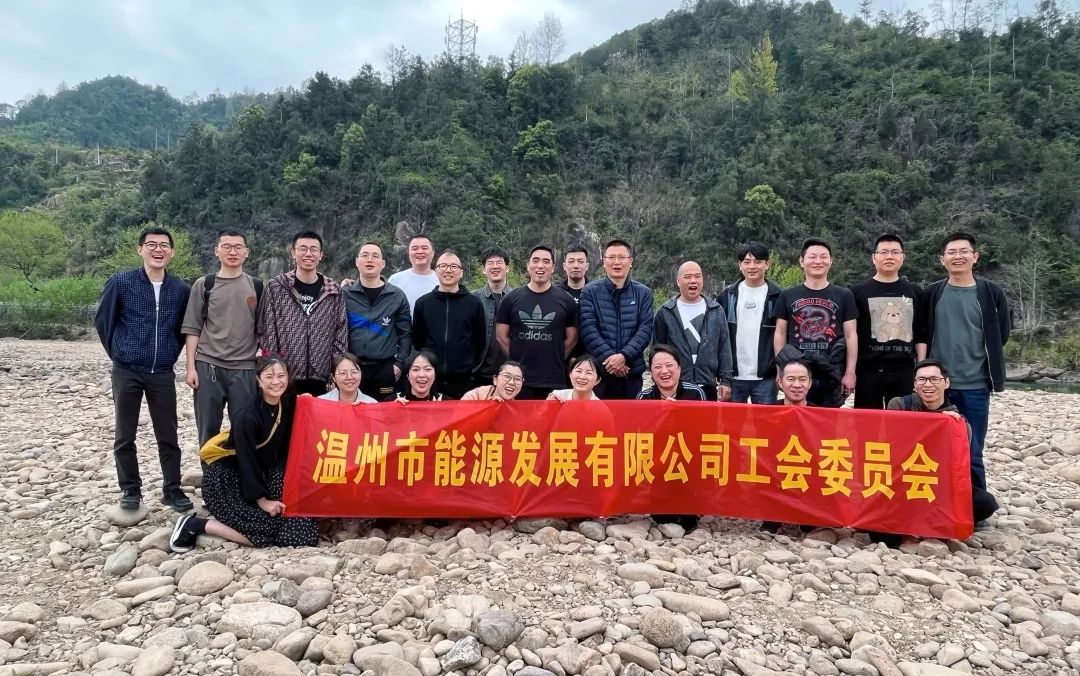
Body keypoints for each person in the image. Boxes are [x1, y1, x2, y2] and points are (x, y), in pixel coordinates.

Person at [169, 356, 318, 552]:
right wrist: (262, 501)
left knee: (303, 527)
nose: (276, 382)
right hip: (228, 480)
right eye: (269, 376)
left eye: (281, 376)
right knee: (267, 531)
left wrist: (308, 402)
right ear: (258, 380)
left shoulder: (287, 402)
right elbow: (245, 460)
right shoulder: (247, 416)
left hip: (265, 472)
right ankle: (195, 525)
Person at [95, 226, 192, 512]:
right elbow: (103, 320)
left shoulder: (181, 289)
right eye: (151, 244)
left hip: (162, 372)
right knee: (125, 434)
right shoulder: (122, 282)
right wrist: (119, 352)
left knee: (168, 433)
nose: (158, 250)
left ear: (172, 252)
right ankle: (130, 489)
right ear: (140, 249)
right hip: (127, 370)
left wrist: (170, 353)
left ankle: (172, 489)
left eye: (164, 245)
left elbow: (184, 328)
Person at [918, 231, 1010, 493]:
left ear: (975, 256)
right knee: (931, 447)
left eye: (963, 251)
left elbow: (1001, 334)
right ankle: (936, 499)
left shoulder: (991, 292)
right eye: (951, 252)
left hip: (975, 384)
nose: (957, 256)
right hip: (936, 386)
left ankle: (974, 503)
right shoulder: (933, 293)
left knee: (972, 448)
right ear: (942, 259)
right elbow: (922, 333)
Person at [886, 359, 1000, 537]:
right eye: (922, 379)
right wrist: (935, 420)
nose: (928, 384)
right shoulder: (899, 405)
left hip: (937, 485)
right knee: (883, 534)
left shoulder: (957, 421)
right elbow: (890, 444)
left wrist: (946, 425)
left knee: (985, 502)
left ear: (946, 383)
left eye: (934, 379)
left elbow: (958, 464)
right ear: (915, 384)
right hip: (902, 481)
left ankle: (930, 519)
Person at [182, 229, 261, 447]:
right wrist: (191, 368)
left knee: (244, 429)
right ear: (217, 251)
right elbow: (193, 329)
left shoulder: (256, 286)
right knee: (208, 430)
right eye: (227, 247)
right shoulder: (204, 285)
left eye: (238, 247)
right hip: (209, 366)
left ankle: (241, 469)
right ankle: (210, 469)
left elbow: (262, 331)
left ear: (247, 252)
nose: (232, 252)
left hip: (245, 368)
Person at [257, 230, 347, 397]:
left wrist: (336, 370)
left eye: (314, 249)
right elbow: (268, 332)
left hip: (322, 377)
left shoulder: (333, 290)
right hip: (285, 376)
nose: (308, 254)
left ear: (321, 255)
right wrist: (274, 370)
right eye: (303, 248)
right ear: (293, 253)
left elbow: (340, 334)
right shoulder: (277, 287)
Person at [773, 238, 858, 407]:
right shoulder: (787, 295)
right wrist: (780, 370)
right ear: (801, 261)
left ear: (831, 261)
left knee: (828, 421)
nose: (818, 261)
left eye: (823, 257)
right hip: (798, 371)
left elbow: (851, 334)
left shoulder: (844, 295)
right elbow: (780, 333)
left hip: (831, 372)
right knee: (796, 419)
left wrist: (850, 372)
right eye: (812, 257)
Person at [496, 245, 579, 399]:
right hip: (518, 381)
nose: (540, 265)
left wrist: (555, 357)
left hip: (553, 378)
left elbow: (572, 338)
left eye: (546, 261)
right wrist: (515, 362)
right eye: (535, 260)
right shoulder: (511, 299)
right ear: (528, 266)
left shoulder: (567, 300)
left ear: (553, 268)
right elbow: (501, 336)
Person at [851, 234, 923, 409]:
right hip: (868, 369)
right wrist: (850, 371)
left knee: (902, 420)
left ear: (903, 257)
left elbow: (922, 332)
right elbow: (851, 334)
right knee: (867, 421)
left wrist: (921, 369)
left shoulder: (915, 292)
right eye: (883, 252)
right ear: (873, 257)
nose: (889, 256)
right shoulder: (857, 292)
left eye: (895, 252)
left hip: (904, 369)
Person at [579, 239, 654, 399]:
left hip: (631, 372)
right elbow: (588, 330)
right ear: (604, 262)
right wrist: (611, 360)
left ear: (630, 261)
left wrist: (624, 356)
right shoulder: (590, 291)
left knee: (631, 415)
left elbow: (645, 330)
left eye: (622, 257)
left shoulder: (643, 293)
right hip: (599, 373)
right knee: (597, 416)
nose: (617, 262)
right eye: (611, 257)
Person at [653, 261, 732, 401]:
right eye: (687, 277)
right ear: (678, 281)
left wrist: (726, 381)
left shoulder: (716, 310)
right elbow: (657, 351)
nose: (693, 281)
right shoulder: (665, 312)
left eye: (697, 276)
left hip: (708, 383)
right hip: (676, 386)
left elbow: (724, 347)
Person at [412, 250, 487, 399]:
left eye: (453, 266)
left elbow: (480, 341)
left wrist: (468, 366)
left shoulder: (474, 304)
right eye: (443, 266)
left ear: (461, 272)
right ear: (436, 271)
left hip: (463, 379)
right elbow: (418, 340)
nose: (448, 270)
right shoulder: (423, 303)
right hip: (430, 379)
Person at [342, 242, 411, 401]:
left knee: (384, 414)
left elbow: (406, 334)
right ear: (357, 262)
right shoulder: (345, 294)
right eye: (365, 255)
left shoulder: (397, 295)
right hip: (351, 369)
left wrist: (400, 364)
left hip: (384, 369)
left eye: (375, 256)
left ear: (383, 263)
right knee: (352, 413)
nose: (370, 260)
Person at [719, 242, 783, 404]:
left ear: (767, 264)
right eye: (747, 262)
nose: (752, 266)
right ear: (740, 265)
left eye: (758, 262)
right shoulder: (728, 295)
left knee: (765, 420)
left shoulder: (778, 296)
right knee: (731, 420)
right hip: (733, 376)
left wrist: (781, 370)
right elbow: (720, 335)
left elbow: (782, 335)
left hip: (766, 376)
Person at [474, 248, 514, 383]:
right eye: (490, 263)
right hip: (478, 372)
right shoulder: (473, 298)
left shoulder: (518, 298)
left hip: (510, 373)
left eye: (499, 262)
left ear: (507, 268)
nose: (495, 266)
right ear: (483, 270)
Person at [636, 345, 708, 401]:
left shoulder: (696, 393)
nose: (664, 371)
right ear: (651, 372)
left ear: (679, 368)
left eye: (669, 365)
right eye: (658, 367)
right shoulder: (643, 397)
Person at [388, 234, 438, 314]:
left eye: (424, 248)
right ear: (409, 253)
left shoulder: (441, 280)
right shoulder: (395, 280)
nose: (419, 252)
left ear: (433, 253)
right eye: (414, 249)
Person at [461, 361, 526, 401]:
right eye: (507, 376)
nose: (511, 382)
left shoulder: (518, 409)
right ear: (495, 379)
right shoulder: (474, 396)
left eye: (517, 379)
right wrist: (488, 407)